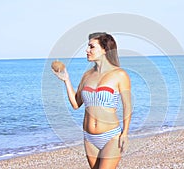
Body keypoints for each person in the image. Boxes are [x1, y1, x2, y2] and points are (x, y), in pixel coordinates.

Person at [52, 32, 132, 169]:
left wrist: (125, 133)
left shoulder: (119, 75)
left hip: (111, 136)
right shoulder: (87, 75)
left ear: (105, 49)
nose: (87, 50)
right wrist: (66, 80)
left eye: (91, 47)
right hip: (89, 138)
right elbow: (76, 104)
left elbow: (127, 106)